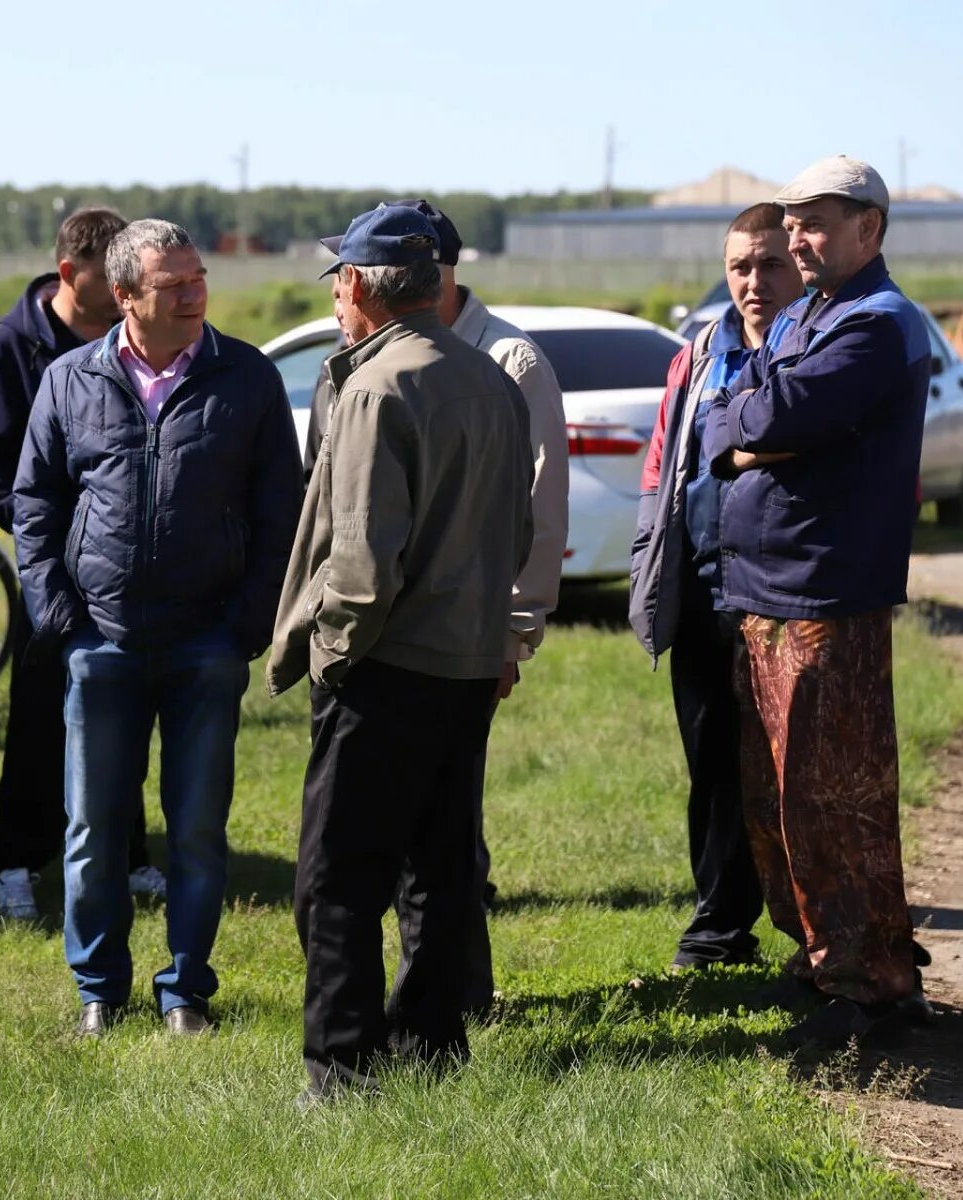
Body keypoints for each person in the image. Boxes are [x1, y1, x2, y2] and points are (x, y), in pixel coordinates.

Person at [270, 204, 533, 1103]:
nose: (335, 298)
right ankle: (429, 1049)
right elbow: (521, 528)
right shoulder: (486, 376)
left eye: (335, 281)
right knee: (441, 869)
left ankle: (340, 1073)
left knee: (337, 879)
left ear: (355, 287)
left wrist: (332, 654)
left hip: (387, 667)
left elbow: (362, 562)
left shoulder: (381, 387)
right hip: (464, 666)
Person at [14, 219, 302, 1037]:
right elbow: (34, 504)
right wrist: (61, 619)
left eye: (199, 277)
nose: (195, 293)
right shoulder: (70, 379)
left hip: (205, 645)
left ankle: (186, 995)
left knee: (199, 832)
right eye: (174, 285)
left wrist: (244, 623)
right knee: (92, 831)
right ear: (125, 295)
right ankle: (98, 993)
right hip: (98, 643)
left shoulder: (245, 376)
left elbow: (281, 509)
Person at [698, 155, 932, 1045]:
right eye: (793, 221)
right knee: (774, 800)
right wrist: (752, 428)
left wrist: (755, 429)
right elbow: (732, 411)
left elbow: (770, 417)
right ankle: (821, 964)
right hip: (766, 596)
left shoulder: (876, 325)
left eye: (818, 221)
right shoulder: (807, 315)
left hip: (826, 601)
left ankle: (871, 988)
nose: (798, 237)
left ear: (869, 228)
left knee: (829, 799)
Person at [346, 201, 567, 1015]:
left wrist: (516, 630)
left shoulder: (507, 360)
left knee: (444, 832)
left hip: (466, 637)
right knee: (418, 827)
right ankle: (437, 997)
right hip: (395, 638)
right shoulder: (375, 358)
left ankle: (453, 994)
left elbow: (538, 511)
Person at [0, 207, 166, 920]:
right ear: (71, 273)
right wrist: (55, 530)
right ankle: (15, 861)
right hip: (52, 574)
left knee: (127, 712)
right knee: (42, 721)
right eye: (110, 277)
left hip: (127, 575)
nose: (123, 289)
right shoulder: (14, 348)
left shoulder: (127, 342)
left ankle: (131, 855)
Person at [628, 203, 805, 970]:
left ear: (798, 264)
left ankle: (815, 931)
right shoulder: (698, 355)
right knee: (712, 763)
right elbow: (664, 464)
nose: (754, 282)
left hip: (784, 595)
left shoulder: (814, 344)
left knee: (795, 768)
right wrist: (649, 564)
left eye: (770, 264)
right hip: (703, 589)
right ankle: (718, 925)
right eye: (740, 267)